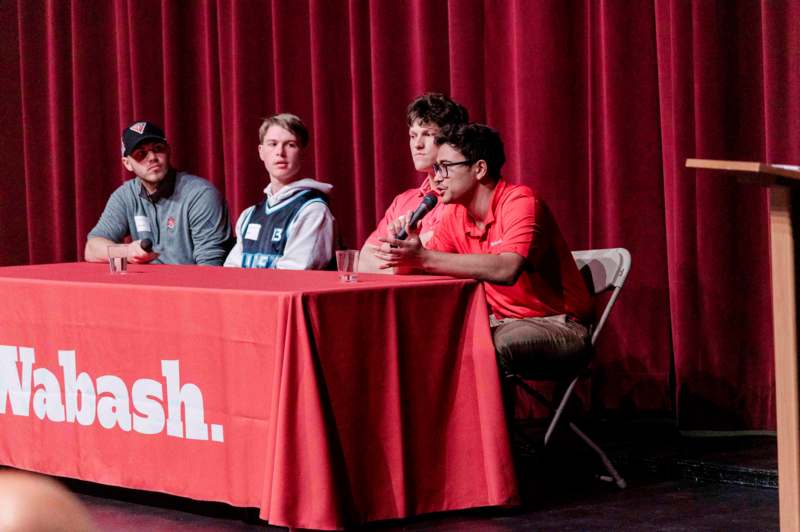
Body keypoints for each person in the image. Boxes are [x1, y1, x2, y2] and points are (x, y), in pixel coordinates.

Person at [375, 123, 593, 379]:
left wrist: (423, 257)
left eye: (444, 167)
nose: (436, 177)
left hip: (559, 323)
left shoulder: (520, 202)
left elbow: (507, 268)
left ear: (479, 168)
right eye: (435, 168)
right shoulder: (456, 215)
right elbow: (423, 271)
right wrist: (406, 252)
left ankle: (491, 420)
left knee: (481, 346)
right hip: (500, 322)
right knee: (422, 340)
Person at [84, 121, 232, 265]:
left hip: (189, 287)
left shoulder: (200, 195)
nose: (152, 158)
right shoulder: (125, 196)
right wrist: (126, 252)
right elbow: (91, 249)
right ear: (127, 164)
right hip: (144, 287)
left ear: (169, 151)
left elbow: (210, 266)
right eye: (140, 154)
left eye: (158, 148)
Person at [358, 93, 468, 273]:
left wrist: (396, 258)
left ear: (451, 140)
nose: (417, 144)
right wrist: (402, 261)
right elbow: (363, 261)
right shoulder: (403, 200)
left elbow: (433, 258)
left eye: (427, 134)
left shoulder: (463, 198)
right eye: (412, 135)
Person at [224, 113, 335, 269]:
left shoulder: (313, 210)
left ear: (302, 153)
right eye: (273, 144)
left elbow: (295, 276)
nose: (280, 152)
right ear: (261, 152)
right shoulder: (249, 215)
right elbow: (231, 272)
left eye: (290, 144)